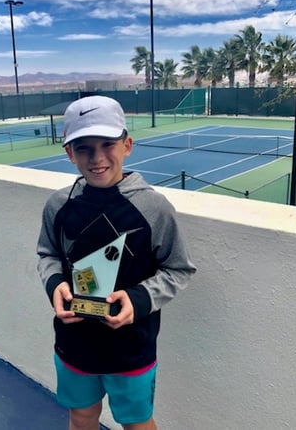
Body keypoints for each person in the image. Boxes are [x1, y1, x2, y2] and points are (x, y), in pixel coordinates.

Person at [37, 95, 196, 430]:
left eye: (108, 144)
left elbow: (178, 269)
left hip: (131, 349)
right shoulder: (58, 206)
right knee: (81, 418)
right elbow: (48, 254)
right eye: (83, 148)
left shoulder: (155, 208)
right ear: (69, 153)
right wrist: (55, 284)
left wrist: (138, 300)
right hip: (74, 344)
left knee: (137, 424)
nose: (97, 158)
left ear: (127, 145)